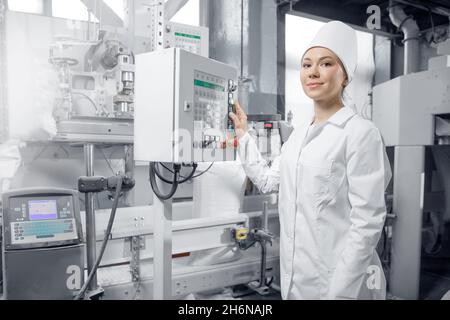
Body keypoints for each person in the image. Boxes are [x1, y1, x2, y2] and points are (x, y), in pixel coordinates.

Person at [229, 21, 392, 300]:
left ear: (345, 77)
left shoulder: (360, 133)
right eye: (306, 65)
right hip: (296, 283)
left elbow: (366, 224)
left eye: (326, 64)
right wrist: (244, 135)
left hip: (340, 287)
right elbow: (269, 181)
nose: (313, 72)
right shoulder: (298, 136)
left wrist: (339, 294)